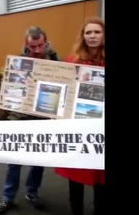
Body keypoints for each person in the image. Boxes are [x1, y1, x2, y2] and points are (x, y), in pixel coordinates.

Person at [0, 26, 60, 214]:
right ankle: (7, 197)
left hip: (43, 118)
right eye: (33, 46)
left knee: (38, 160)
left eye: (40, 45)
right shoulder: (18, 62)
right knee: (14, 160)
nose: (37, 50)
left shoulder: (56, 61)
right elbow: (10, 90)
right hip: (19, 118)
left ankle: (32, 192)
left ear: (45, 42)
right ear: (26, 44)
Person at [55, 16, 105, 215]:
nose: (92, 36)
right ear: (83, 36)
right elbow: (62, 91)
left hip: (101, 130)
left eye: (97, 32)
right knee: (76, 175)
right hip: (78, 128)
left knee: (101, 176)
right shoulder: (72, 61)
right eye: (88, 32)